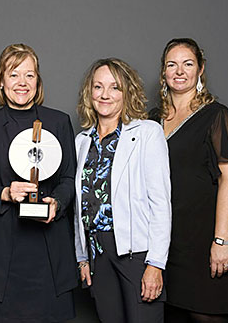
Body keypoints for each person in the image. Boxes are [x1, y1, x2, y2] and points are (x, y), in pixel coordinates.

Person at [0, 43, 78, 322]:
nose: (22, 82)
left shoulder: (59, 122)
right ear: (2, 81)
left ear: (38, 81)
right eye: (14, 74)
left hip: (49, 248)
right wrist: (5, 192)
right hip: (3, 250)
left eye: (29, 75)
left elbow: (68, 177)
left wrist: (58, 202)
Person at [150, 38, 228, 323]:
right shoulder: (152, 121)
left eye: (188, 64)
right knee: (171, 315)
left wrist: (222, 240)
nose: (179, 71)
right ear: (163, 73)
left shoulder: (217, 116)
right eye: (172, 64)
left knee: (207, 315)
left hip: (206, 235)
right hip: (167, 239)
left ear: (200, 69)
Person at [74, 58, 172, 322]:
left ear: (127, 92)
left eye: (114, 87)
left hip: (136, 254)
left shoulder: (147, 133)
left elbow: (161, 203)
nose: (105, 95)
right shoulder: (81, 142)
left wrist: (156, 264)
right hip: (98, 255)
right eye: (98, 87)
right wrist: (83, 257)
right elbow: (80, 205)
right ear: (89, 92)